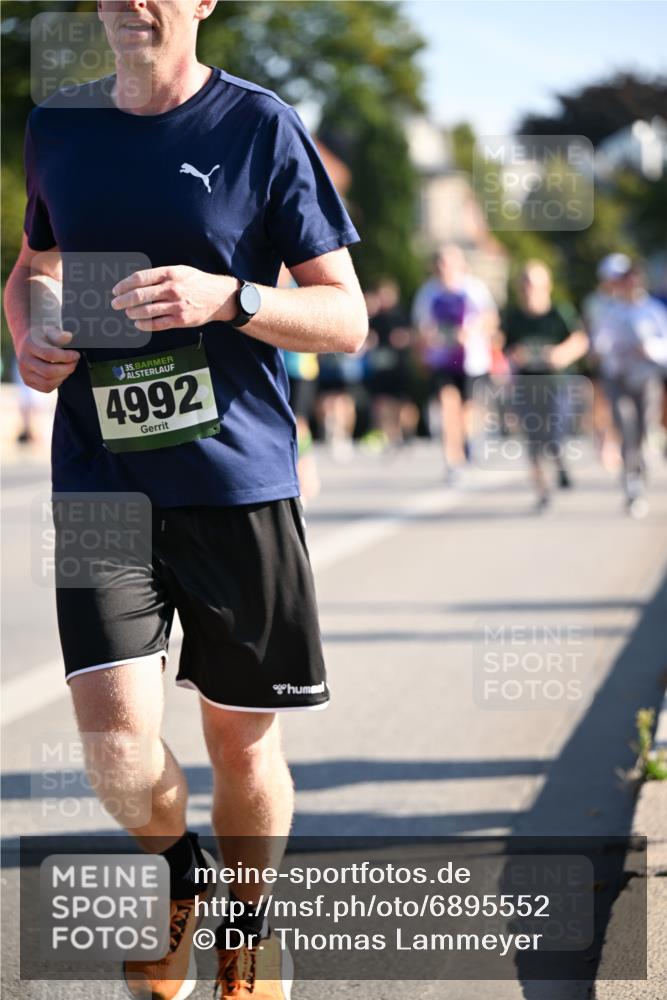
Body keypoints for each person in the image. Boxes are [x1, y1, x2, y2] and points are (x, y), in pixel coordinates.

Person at [3, 2, 367, 999]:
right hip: (99, 472)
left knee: (239, 735)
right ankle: (185, 882)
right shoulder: (58, 126)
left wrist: (231, 299)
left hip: (233, 481)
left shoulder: (257, 125)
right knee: (116, 745)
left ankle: (245, 937)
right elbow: (35, 272)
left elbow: (345, 315)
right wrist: (34, 336)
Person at [501, 261, 588, 511]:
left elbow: (580, 340)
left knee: (554, 435)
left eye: (535, 285)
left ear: (546, 287)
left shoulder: (559, 312)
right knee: (533, 438)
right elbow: (504, 347)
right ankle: (542, 491)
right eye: (526, 285)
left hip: (556, 385)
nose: (530, 290)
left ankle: (559, 462)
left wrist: (560, 354)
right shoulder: (514, 317)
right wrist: (514, 355)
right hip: (526, 385)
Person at [412, 245, 497, 480]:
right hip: (441, 360)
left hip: (472, 361)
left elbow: (491, 320)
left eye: (449, 264)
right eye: (440, 264)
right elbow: (420, 328)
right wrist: (427, 341)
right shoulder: (428, 293)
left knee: (468, 412)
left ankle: (469, 442)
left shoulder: (474, 289)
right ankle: (453, 461)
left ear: (461, 266)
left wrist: (470, 332)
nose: (444, 269)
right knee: (447, 406)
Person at [591, 259, 667, 517]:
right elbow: (600, 342)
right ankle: (631, 486)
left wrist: (650, 349)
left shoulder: (653, 311)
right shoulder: (612, 312)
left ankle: (641, 476)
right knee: (626, 428)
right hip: (618, 378)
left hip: (646, 378)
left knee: (644, 431)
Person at [363, 279, 417, 449]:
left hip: (399, 367)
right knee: (381, 402)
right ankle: (389, 435)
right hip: (381, 368)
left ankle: (406, 432)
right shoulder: (375, 318)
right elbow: (366, 336)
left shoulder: (401, 316)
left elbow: (414, 335)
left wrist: (403, 338)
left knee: (401, 403)